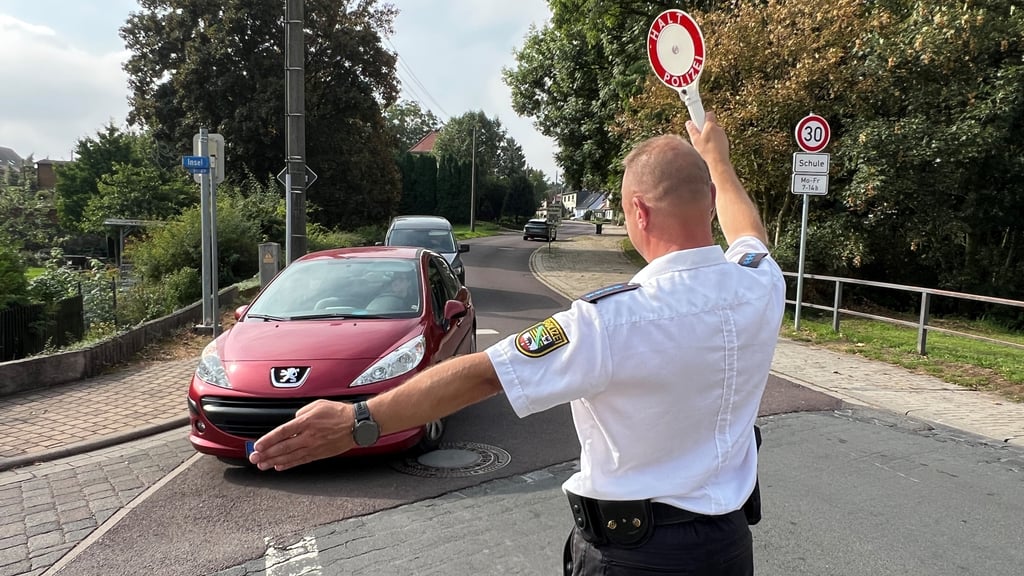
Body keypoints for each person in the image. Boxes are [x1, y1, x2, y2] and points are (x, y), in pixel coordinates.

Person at [249, 111, 786, 575]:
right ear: (709, 203)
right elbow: (750, 233)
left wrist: (358, 420)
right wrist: (717, 160)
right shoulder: (759, 283)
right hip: (728, 549)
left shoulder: (610, 321)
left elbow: (485, 373)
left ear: (639, 212)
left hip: (636, 558)